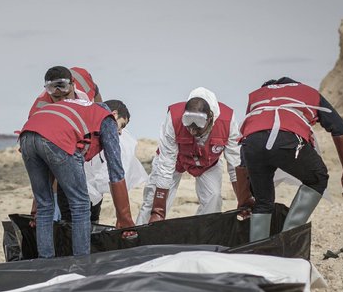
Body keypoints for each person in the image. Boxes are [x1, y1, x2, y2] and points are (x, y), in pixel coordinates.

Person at [19, 66, 136, 258]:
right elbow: (116, 169)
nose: (119, 132)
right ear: (114, 116)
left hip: (26, 136)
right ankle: (82, 262)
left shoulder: (56, 106)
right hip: (53, 137)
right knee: (81, 204)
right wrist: (124, 219)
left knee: (45, 205)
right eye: (120, 127)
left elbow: (44, 150)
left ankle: (44, 262)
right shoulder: (106, 119)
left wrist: (35, 211)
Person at [239, 77, 343, 241]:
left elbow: (250, 133)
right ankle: (287, 242)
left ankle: (256, 253)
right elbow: (339, 127)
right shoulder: (307, 91)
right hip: (287, 139)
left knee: (263, 202)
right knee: (317, 178)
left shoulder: (257, 97)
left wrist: (245, 198)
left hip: (251, 145)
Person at [137, 87, 252, 224]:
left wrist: (243, 200)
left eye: (198, 127)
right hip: (175, 161)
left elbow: (235, 164)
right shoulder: (173, 118)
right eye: (188, 125)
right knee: (152, 201)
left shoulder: (228, 121)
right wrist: (158, 211)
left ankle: (204, 237)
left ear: (210, 118)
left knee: (213, 198)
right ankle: (140, 235)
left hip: (209, 163)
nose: (192, 131)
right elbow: (166, 162)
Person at [27, 66, 102, 118]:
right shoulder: (38, 112)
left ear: (73, 84)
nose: (63, 101)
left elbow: (95, 92)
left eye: (66, 95)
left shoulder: (81, 77)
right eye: (56, 97)